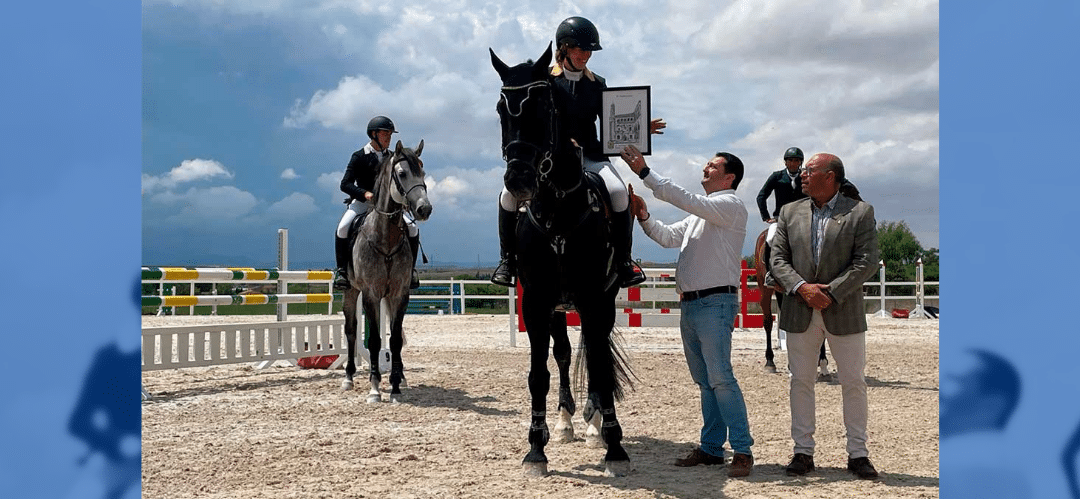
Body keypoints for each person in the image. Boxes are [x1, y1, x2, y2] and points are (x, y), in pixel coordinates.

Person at [490, 16, 666, 289]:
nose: (585, 55)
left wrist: (639, 130)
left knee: (619, 192)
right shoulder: (543, 80)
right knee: (508, 194)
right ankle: (508, 260)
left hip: (591, 156)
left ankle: (623, 261)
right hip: (550, 159)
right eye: (580, 49)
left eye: (589, 51)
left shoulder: (597, 84)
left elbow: (610, 126)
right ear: (564, 48)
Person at [622, 144, 754, 478]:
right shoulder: (704, 212)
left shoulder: (730, 204)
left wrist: (645, 173)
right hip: (694, 304)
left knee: (720, 378)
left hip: (713, 303)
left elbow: (685, 199)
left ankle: (742, 449)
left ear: (730, 176)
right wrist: (644, 216)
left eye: (713, 165)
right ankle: (712, 448)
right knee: (708, 381)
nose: (705, 168)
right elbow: (667, 237)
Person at [768, 152, 881, 479]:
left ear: (830, 176)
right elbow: (777, 259)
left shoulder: (860, 212)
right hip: (800, 308)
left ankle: (858, 453)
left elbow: (867, 261)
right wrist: (803, 288)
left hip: (842, 310)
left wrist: (830, 292)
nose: (802, 175)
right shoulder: (789, 212)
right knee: (800, 381)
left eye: (809, 170)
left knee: (853, 382)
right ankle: (802, 452)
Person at [334, 116, 421, 291]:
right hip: (363, 203)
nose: (389, 138)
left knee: (413, 228)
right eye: (385, 134)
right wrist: (364, 193)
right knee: (343, 228)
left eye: (390, 134)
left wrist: (403, 201)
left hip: (388, 207)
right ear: (373, 135)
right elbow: (345, 184)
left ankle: (411, 271)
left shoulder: (392, 158)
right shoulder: (359, 156)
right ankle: (342, 271)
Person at [756, 146, 806, 224]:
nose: (793, 163)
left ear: (800, 163)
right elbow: (761, 196)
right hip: (781, 219)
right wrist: (766, 217)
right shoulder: (777, 176)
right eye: (790, 160)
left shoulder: (805, 177)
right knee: (771, 235)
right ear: (785, 162)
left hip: (802, 218)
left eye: (796, 160)